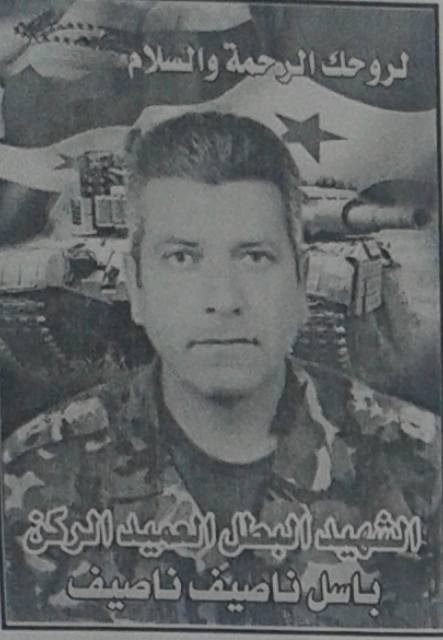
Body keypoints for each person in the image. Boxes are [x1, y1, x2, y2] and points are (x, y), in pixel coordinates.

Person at [2, 112, 441, 629]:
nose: (224, 299)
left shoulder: (422, 467)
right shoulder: (30, 475)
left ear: (301, 283)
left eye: (254, 257)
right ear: (136, 286)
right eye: (182, 258)